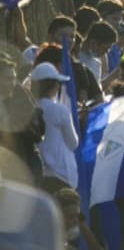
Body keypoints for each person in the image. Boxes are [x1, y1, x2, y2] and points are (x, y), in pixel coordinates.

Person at [31, 62, 77, 193]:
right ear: (54, 85)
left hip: (40, 174)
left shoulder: (29, 108)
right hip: (61, 174)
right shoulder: (60, 110)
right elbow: (73, 143)